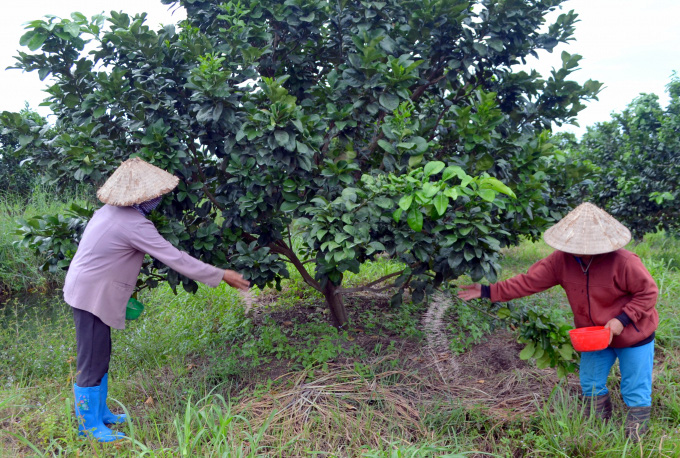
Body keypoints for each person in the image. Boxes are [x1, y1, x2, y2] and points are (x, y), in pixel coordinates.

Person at [64, 157, 250, 442]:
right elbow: (175, 258)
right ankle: (87, 427)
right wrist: (221, 274)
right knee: (91, 361)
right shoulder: (133, 224)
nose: (159, 199)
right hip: (90, 295)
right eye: (157, 195)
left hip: (90, 289)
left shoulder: (110, 210)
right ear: (145, 197)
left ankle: (100, 414)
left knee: (100, 356)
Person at [457, 202, 658, 440]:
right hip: (594, 334)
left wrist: (621, 319)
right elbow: (528, 281)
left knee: (635, 387)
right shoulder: (561, 261)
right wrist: (487, 291)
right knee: (591, 384)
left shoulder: (624, 262)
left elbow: (648, 292)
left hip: (634, 334)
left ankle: (636, 438)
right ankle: (597, 432)